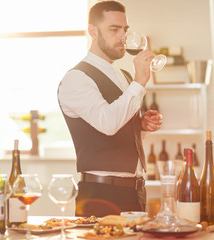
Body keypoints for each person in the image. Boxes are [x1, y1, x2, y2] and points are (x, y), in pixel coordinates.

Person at [58, 0, 163, 217]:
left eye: (125, 29)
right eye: (114, 29)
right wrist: (140, 81)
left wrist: (141, 126)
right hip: (101, 194)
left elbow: (120, 127)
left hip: (135, 192)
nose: (123, 36)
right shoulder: (77, 78)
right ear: (92, 31)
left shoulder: (123, 76)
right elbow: (107, 124)